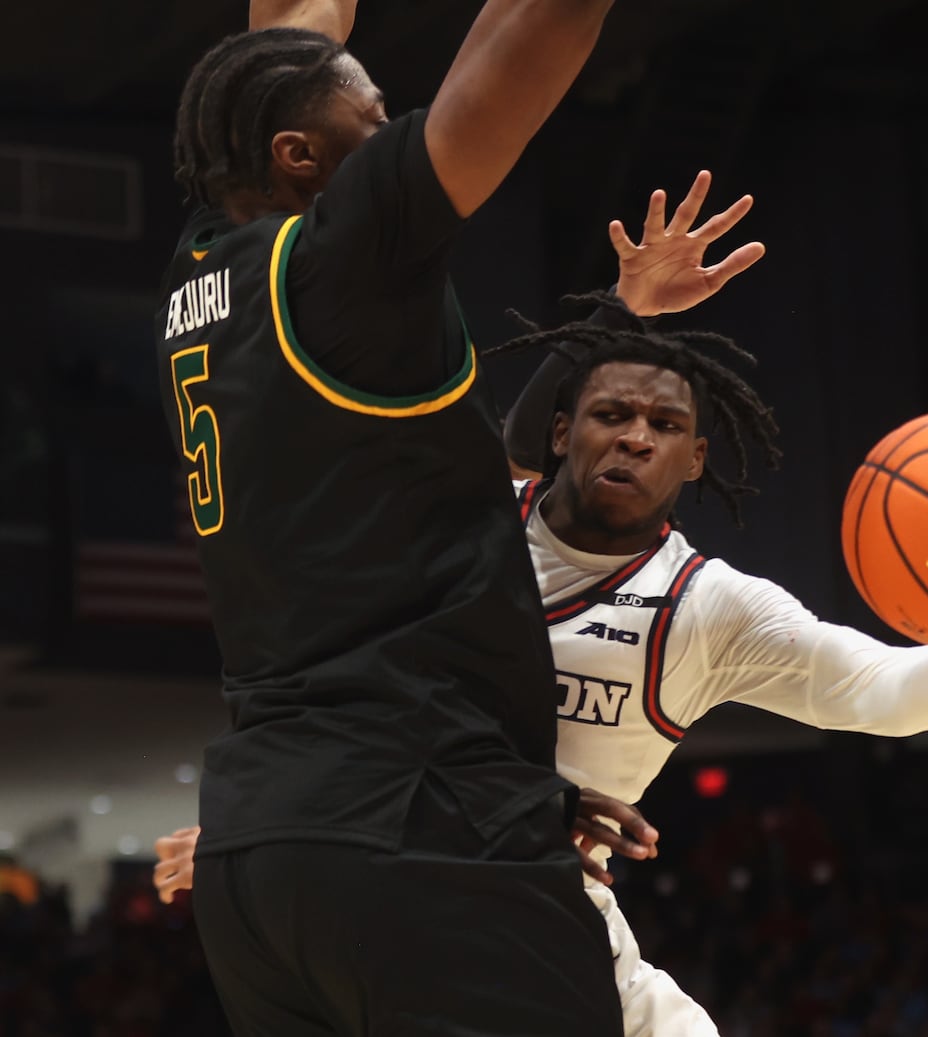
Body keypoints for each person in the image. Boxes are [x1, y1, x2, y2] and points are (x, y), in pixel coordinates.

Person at [158, 290, 928, 1035]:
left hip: (537, 905)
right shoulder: (467, 517)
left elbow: (881, 690)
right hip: (388, 860)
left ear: (696, 459)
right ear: (563, 431)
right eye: (612, 413)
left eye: (663, 427)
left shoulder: (709, 607)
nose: (635, 436)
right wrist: (279, 814)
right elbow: (338, 675)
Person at [152, 0, 693, 1029]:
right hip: (423, 822)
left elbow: (295, 34)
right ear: (302, 157)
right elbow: (536, 29)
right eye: (376, 114)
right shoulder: (344, 260)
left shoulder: (204, 262)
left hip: (262, 858)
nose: (395, 125)